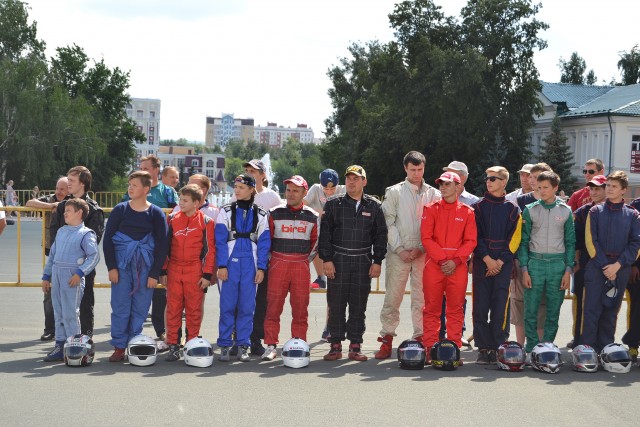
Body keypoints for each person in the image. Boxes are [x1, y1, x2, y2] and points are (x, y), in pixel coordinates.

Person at [375, 151, 441, 359]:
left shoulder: (434, 194)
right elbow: (388, 222)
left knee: (421, 299)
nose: (416, 173)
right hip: (399, 252)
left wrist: (421, 247)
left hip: (423, 252)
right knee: (393, 297)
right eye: (412, 169)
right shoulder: (394, 192)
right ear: (405, 168)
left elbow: (435, 225)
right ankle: (387, 338)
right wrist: (399, 249)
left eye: (420, 169)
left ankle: (422, 339)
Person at [320, 165, 387, 362]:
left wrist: (377, 261)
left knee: (358, 305)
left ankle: (355, 345)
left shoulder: (374, 206)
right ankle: (335, 345)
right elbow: (325, 235)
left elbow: (381, 236)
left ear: (364, 182)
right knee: (336, 304)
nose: (351, 182)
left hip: (363, 261)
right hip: (338, 260)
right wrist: (327, 259)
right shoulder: (333, 204)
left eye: (356, 179)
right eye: (349, 178)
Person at [104, 171, 169, 362]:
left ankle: (133, 343)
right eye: (129, 184)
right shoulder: (120, 210)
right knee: (120, 305)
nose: (130, 188)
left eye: (135, 185)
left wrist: (154, 273)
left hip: (145, 267)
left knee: (141, 307)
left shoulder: (156, 213)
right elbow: (108, 240)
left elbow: (162, 244)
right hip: (122, 265)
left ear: (146, 189)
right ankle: (119, 346)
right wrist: (112, 267)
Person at [421, 171, 477, 364]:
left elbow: (471, 240)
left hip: (457, 266)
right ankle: (430, 349)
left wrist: (456, 260)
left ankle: (454, 350)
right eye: (441, 184)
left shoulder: (467, 212)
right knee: (431, 308)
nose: (443, 187)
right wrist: (443, 260)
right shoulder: (431, 209)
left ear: (458, 186)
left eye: (447, 184)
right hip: (435, 265)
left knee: (455, 309)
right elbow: (426, 238)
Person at [582, 171, 640, 354]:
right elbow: (591, 241)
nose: (609, 189)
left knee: (611, 311)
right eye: (608, 185)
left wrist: (618, 265)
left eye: (614, 186)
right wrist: (604, 266)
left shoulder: (633, 214)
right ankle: (588, 352)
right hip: (597, 266)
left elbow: (636, 244)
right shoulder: (595, 211)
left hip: (620, 269)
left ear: (623, 190)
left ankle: (606, 351)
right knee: (591, 310)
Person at [262, 175, 319, 361]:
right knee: (273, 307)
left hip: (301, 264)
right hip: (278, 262)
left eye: (296, 190)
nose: (291, 194)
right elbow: (266, 240)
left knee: (301, 308)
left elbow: (316, 243)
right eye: (288, 190)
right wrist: (273, 260)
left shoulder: (313, 216)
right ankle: (271, 345)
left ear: (304, 193)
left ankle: (298, 344)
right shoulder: (274, 213)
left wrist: (304, 260)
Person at [123, 155, 179, 343]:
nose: (142, 171)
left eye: (146, 168)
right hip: (136, 248)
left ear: (156, 170)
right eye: (140, 167)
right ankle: (132, 331)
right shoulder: (131, 190)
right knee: (134, 289)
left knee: (159, 290)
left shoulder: (168, 192)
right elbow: (122, 211)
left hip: (159, 247)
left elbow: (177, 215)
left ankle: (161, 330)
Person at [215, 173, 270, 362]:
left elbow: (264, 243)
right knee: (227, 306)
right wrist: (222, 265)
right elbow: (220, 241)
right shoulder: (225, 211)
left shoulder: (261, 213)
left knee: (247, 306)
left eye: (241, 187)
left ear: (251, 189)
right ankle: (224, 345)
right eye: (236, 187)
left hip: (250, 264)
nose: (237, 191)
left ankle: (243, 345)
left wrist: (261, 268)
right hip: (230, 263)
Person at [518, 171, 574, 355]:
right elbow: (523, 242)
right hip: (535, 263)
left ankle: (547, 347)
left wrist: (568, 271)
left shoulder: (565, 211)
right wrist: (525, 269)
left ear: (555, 188)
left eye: (546, 187)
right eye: (539, 187)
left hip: (558, 265)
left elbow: (570, 242)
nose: (541, 191)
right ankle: (531, 348)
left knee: (553, 310)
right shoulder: (530, 210)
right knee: (530, 309)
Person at [472, 166, 521, 364]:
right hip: (482, 261)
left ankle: (498, 346)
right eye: (487, 178)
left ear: (503, 182)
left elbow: (515, 239)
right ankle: (483, 348)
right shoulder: (477, 207)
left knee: (500, 305)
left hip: (503, 263)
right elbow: (474, 236)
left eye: (493, 178)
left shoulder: (513, 209)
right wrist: (487, 259)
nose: (488, 181)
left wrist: (500, 261)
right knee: (480, 306)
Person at [160, 184, 215, 362]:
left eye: (185, 200)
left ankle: (192, 343)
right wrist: (163, 270)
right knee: (173, 308)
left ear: (196, 203)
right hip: (174, 269)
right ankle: (173, 345)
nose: (181, 203)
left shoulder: (206, 222)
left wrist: (207, 275)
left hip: (195, 270)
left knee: (194, 309)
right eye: (180, 199)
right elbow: (165, 246)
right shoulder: (172, 219)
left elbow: (210, 251)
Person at [41, 198, 100, 362]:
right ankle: (60, 345)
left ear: (79, 213)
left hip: (71, 278)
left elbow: (94, 256)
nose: (65, 214)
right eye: (65, 211)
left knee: (70, 313)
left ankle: (74, 346)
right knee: (58, 312)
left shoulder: (86, 234)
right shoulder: (61, 231)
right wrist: (46, 276)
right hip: (56, 275)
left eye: (68, 211)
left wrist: (79, 273)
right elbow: (52, 256)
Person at [50, 166, 104, 337]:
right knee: (59, 304)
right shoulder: (62, 207)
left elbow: (94, 241)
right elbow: (54, 233)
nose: (68, 183)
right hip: (61, 267)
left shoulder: (94, 210)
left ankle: (85, 339)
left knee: (85, 302)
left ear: (83, 183)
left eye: (72, 180)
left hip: (82, 269)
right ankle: (61, 339)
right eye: (68, 179)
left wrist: (79, 267)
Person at [240, 159, 282, 356]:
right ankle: (239, 337)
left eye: (254, 171)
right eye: (248, 170)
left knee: (260, 300)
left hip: (263, 256)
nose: (250, 173)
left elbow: (279, 222)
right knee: (241, 298)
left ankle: (256, 338)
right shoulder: (239, 193)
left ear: (263, 175)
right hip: (242, 255)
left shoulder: (271, 196)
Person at [511, 162, 553, 345]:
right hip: (522, 259)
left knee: (541, 304)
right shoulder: (521, 201)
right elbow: (514, 233)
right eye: (532, 177)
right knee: (519, 302)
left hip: (545, 260)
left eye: (538, 177)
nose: (534, 181)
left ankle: (538, 346)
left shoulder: (556, 204)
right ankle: (520, 346)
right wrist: (513, 259)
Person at [26, 176, 70, 341]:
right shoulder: (50, 199)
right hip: (52, 253)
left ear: (69, 190)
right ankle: (50, 329)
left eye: (63, 189)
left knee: (70, 294)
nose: (59, 192)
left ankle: (70, 330)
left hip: (71, 254)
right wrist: (51, 206)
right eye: (57, 188)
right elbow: (29, 203)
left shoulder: (74, 201)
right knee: (49, 292)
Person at [440, 161, 478, 345]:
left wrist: (470, 259)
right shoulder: (438, 197)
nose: (445, 179)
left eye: (451, 174)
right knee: (438, 298)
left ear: (462, 178)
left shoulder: (473, 202)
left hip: (463, 259)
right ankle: (440, 332)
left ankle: (457, 333)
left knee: (458, 298)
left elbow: (475, 235)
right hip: (439, 260)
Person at [569, 175, 607, 349]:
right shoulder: (582, 212)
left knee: (605, 306)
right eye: (591, 189)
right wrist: (576, 263)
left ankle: (602, 342)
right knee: (581, 305)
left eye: (598, 188)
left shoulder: (615, 210)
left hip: (609, 265)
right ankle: (579, 340)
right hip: (584, 264)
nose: (593, 192)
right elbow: (575, 240)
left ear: (607, 189)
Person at [303, 169, 346, 289]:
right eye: (326, 189)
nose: (329, 192)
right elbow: (301, 204)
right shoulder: (315, 188)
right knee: (316, 244)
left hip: (338, 228)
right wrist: (319, 212)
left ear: (338, 184)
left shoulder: (344, 189)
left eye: (333, 188)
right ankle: (321, 278)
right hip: (320, 227)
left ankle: (340, 277)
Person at [624, 196, 640, 362]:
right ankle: (633, 345)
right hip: (637, 269)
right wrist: (633, 264)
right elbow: (632, 238)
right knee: (636, 308)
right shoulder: (636, 206)